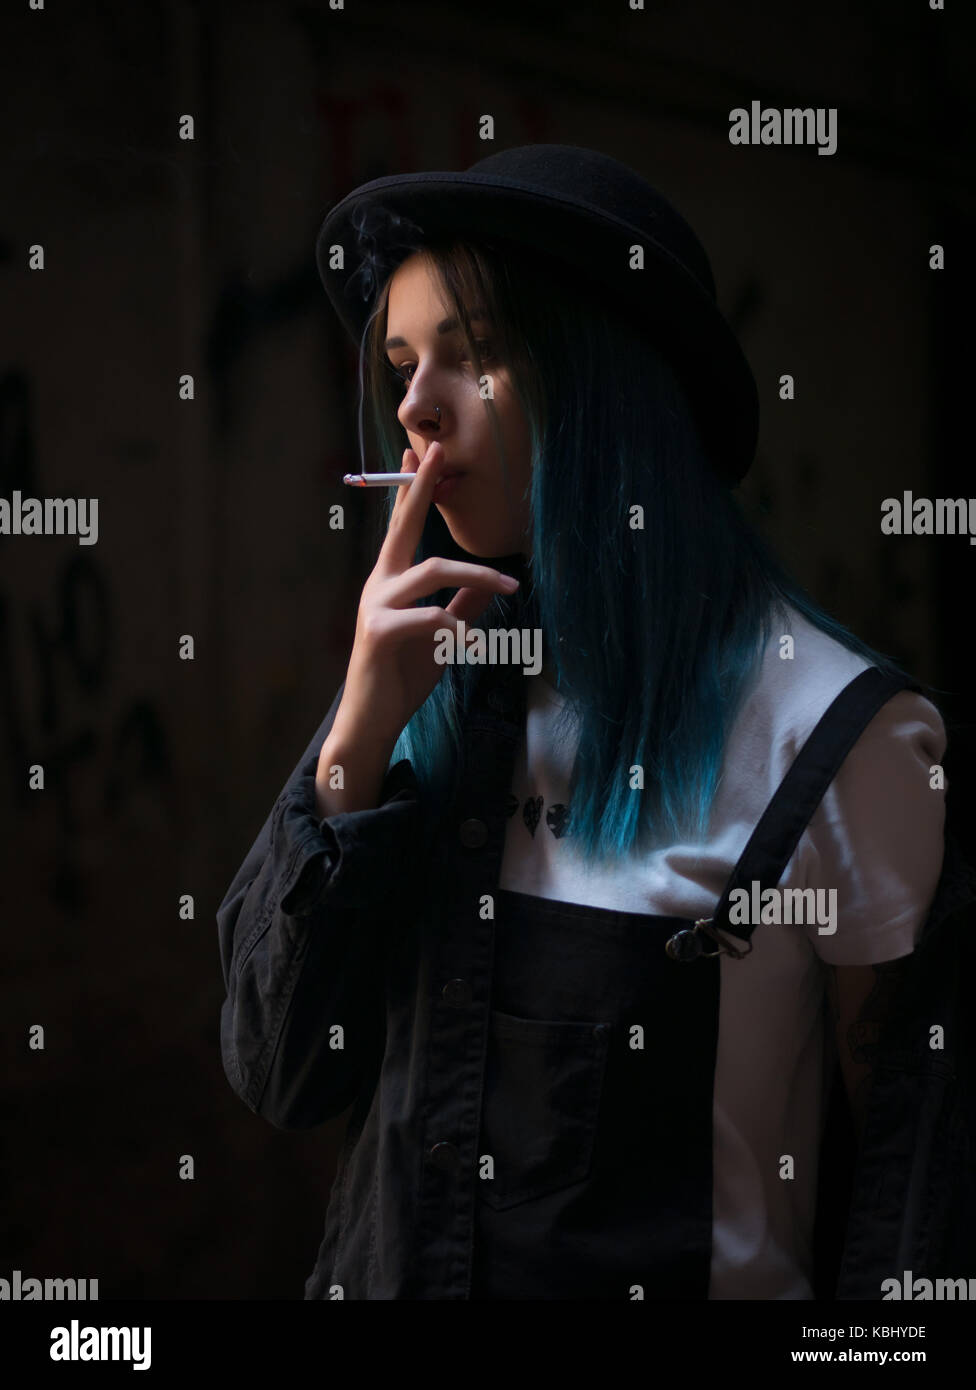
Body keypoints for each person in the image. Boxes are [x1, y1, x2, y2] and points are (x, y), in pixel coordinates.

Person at [217, 145, 947, 1300]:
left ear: (609, 382)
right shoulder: (422, 682)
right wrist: (353, 742)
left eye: (473, 355)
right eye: (402, 365)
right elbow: (280, 1072)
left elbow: (911, 1203)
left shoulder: (844, 737)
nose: (411, 408)